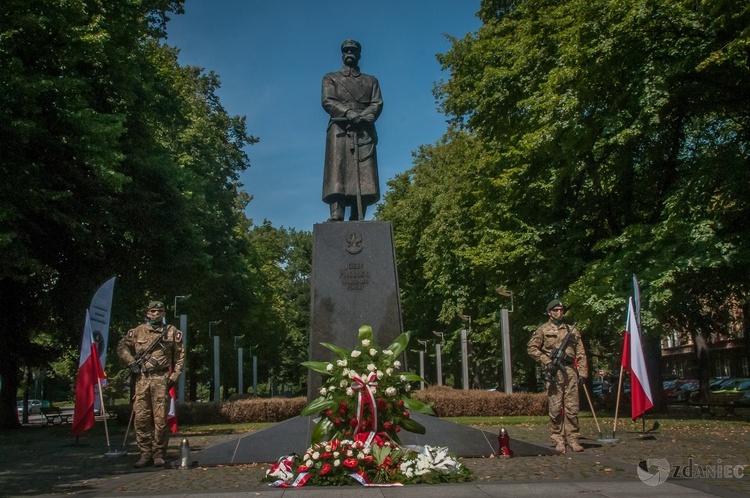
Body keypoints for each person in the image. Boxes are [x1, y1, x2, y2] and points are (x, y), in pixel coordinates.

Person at [117, 300, 185, 467]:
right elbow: (121, 347)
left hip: (161, 379)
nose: (156, 314)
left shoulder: (171, 332)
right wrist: (131, 362)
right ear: (147, 313)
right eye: (153, 311)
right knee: (141, 418)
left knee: (161, 418)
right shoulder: (138, 331)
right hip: (141, 379)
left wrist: (174, 377)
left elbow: (180, 356)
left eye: (159, 311)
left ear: (163, 314)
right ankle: (145, 453)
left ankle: (159, 453)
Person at [321, 39, 383, 222]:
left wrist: (363, 116)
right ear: (342, 54)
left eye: (353, 51)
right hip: (339, 129)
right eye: (346, 50)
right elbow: (328, 100)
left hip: (363, 128)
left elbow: (377, 103)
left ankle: (358, 213)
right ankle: (337, 211)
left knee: (363, 170)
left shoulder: (371, 81)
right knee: (337, 169)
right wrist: (347, 112)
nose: (349, 53)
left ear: (359, 55)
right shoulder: (330, 78)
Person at [527, 299, 588, 453]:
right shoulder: (542, 330)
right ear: (549, 312)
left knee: (572, 407)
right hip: (554, 372)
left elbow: (580, 352)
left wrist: (583, 372)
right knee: (555, 407)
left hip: (570, 372)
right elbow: (532, 348)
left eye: (561, 310)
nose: (559, 312)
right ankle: (558, 438)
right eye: (556, 310)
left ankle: (573, 438)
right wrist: (546, 361)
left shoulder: (572, 330)